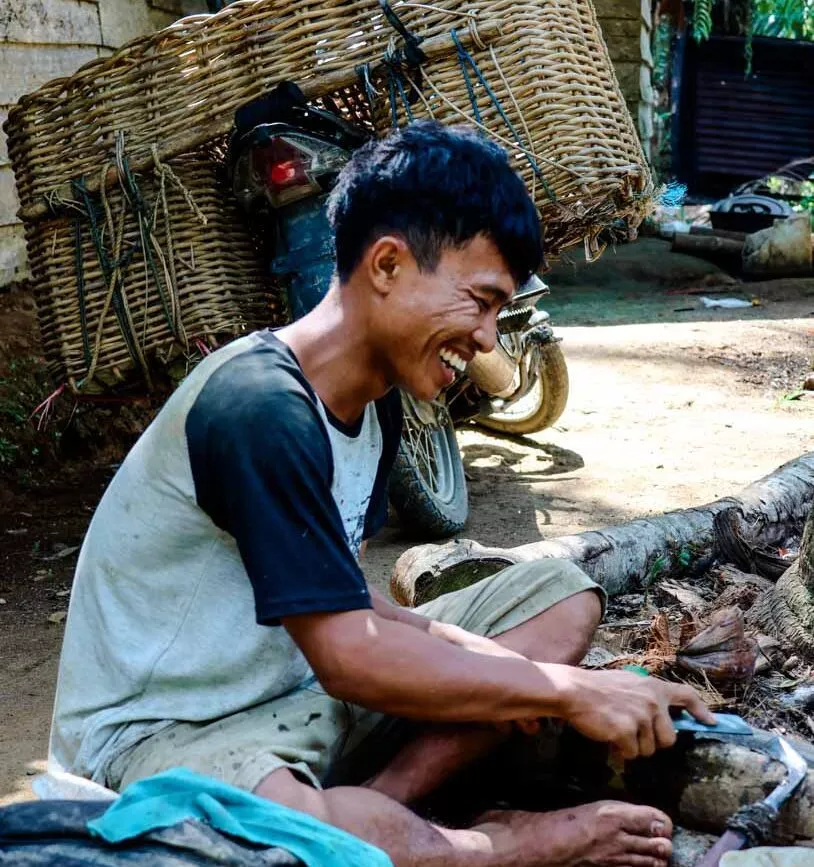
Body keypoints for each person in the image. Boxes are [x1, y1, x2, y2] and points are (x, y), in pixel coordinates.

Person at [50, 121, 713, 867]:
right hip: (166, 735)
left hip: (295, 689)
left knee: (560, 596)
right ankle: (491, 845)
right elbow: (348, 657)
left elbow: (361, 611)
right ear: (389, 264)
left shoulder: (378, 403)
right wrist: (559, 696)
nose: (490, 340)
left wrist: (566, 680)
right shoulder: (258, 406)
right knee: (281, 820)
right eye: (481, 301)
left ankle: (386, 810)